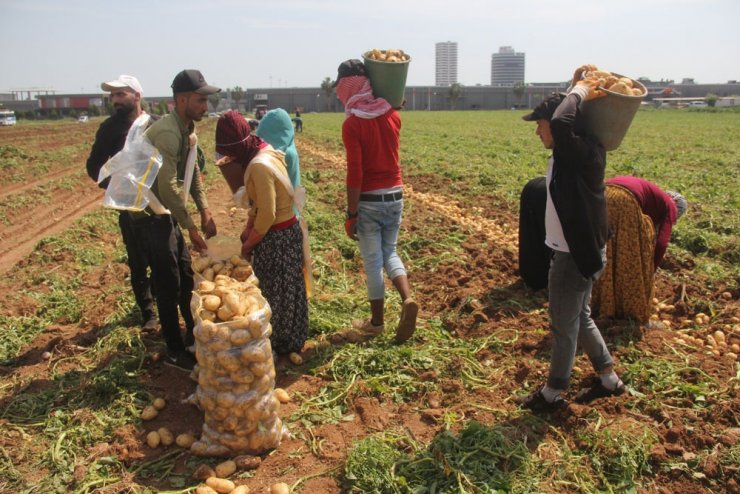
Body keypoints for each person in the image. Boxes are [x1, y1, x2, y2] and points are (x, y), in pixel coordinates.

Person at [516, 65, 625, 412]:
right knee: (581, 318)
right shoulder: (579, 151)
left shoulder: (578, 153)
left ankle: (552, 394)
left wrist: (579, 89)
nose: (537, 131)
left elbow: (563, 122)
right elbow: (564, 121)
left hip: (572, 258)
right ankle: (609, 380)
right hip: (584, 252)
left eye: (539, 124)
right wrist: (574, 89)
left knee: (564, 328)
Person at [136, 69, 219, 370]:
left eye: (206, 100)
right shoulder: (170, 133)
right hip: (149, 215)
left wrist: (205, 208)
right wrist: (192, 227)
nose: (205, 107)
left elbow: (192, 173)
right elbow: (167, 187)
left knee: (185, 276)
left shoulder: (187, 130)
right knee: (168, 280)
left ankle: (187, 337)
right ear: (182, 100)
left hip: (166, 211)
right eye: (200, 100)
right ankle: (173, 348)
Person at [334, 59, 418, 343]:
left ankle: (377, 323)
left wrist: (351, 212)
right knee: (390, 252)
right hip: (395, 193)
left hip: (369, 200)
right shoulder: (392, 116)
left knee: (372, 260)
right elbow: (391, 107)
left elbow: (355, 173)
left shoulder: (353, 124)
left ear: (348, 88)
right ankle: (407, 299)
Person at [215, 110, 309, 355]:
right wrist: (249, 226)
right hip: (285, 231)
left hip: (278, 237)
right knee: (289, 288)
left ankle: (280, 344)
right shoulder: (264, 148)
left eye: (229, 153)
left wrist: (248, 244)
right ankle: (291, 339)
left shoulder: (258, 166)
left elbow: (268, 214)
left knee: (276, 292)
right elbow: (260, 204)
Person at [86, 75, 156, 330]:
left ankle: (158, 296)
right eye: (112, 96)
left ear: (136, 96)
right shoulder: (109, 129)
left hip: (158, 204)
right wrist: (116, 188)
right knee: (138, 260)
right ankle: (148, 313)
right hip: (130, 207)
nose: (115, 100)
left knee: (162, 256)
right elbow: (94, 166)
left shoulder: (155, 125)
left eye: (121, 94)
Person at [591, 176, 687, 322]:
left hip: (599, 194)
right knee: (631, 262)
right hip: (623, 200)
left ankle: (600, 305)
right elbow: (661, 243)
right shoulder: (671, 206)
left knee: (608, 251)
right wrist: (648, 271)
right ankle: (633, 315)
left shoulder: (653, 197)